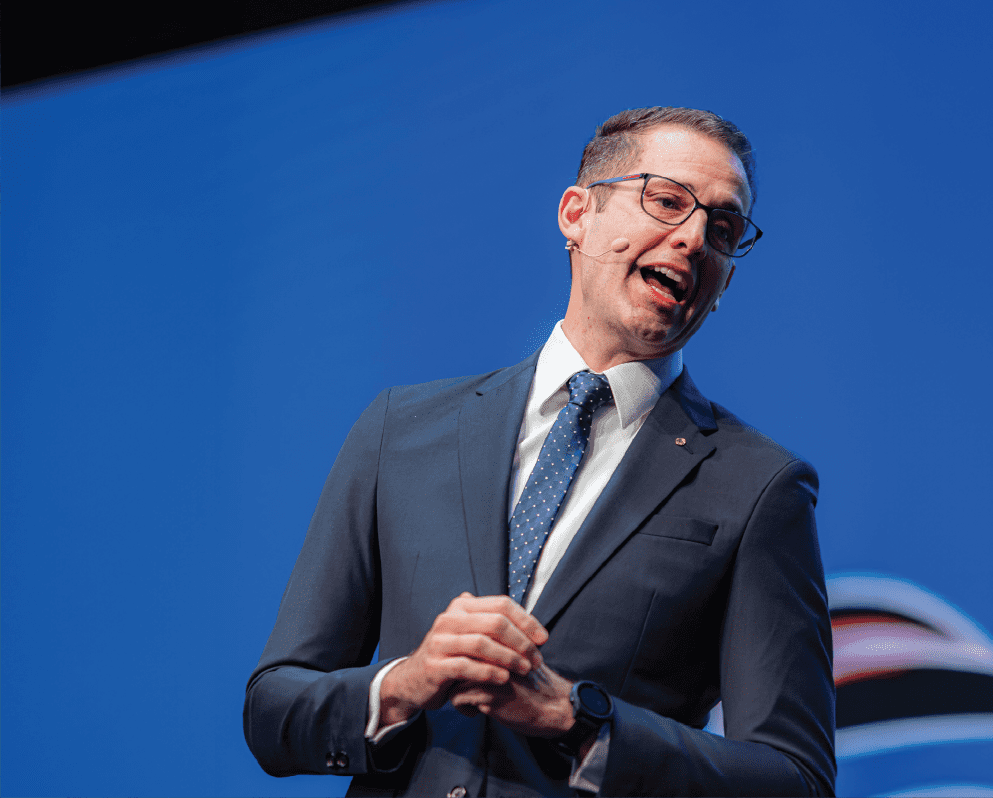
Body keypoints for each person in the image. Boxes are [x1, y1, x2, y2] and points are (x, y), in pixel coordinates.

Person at [244, 106, 836, 797]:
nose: (693, 238)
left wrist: (577, 720)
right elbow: (274, 712)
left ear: (725, 280)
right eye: (667, 201)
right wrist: (406, 683)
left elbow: (794, 780)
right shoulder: (399, 431)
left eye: (724, 229)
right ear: (576, 214)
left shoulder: (758, 486)